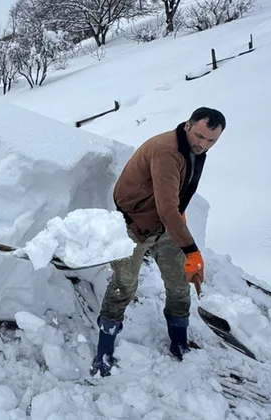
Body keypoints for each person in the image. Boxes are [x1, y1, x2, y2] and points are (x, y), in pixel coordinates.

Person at [90, 107, 226, 377]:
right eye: (199, 136)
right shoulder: (168, 151)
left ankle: (179, 343)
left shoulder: (193, 149)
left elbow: (175, 197)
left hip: (163, 222)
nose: (203, 144)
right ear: (187, 125)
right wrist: (192, 250)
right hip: (133, 223)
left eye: (211, 140)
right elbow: (166, 207)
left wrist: (181, 227)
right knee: (124, 285)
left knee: (179, 281)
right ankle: (103, 352)